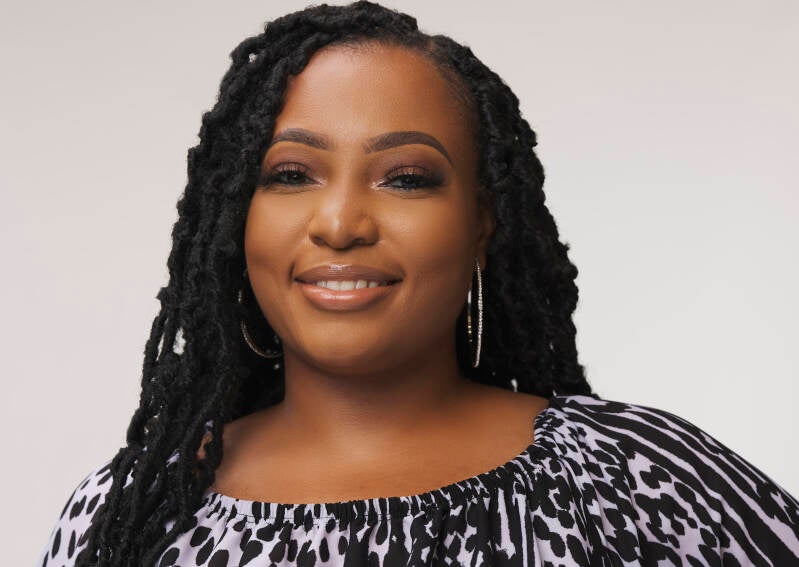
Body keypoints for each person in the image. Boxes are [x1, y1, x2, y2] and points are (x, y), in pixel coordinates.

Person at [39, 1, 799, 565]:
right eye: (292, 174)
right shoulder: (130, 517)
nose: (340, 223)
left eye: (405, 178)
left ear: (482, 222)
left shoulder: (634, 483)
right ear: (236, 217)